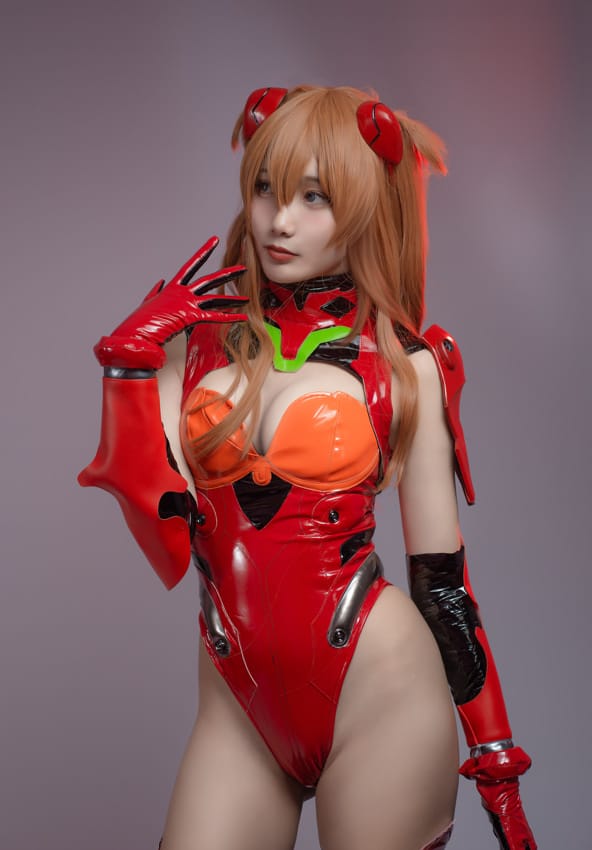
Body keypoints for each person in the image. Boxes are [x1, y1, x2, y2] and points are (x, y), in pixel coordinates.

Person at [79, 85, 536, 850]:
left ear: (363, 207)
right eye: (266, 188)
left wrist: (496, 759)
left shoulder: (406, 364)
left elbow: (443, 586)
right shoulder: (195, 345)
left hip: (381, 689)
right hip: (238, 707)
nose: (279, 220)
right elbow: (164, 540)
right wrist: (126, 366)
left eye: (313, 197)